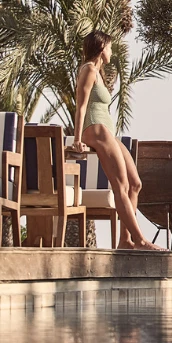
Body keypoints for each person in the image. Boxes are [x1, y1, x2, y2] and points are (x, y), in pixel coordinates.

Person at [66, 30, 164, 250]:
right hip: (96, 130)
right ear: (101, 48)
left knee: (135, 184)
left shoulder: (97, 72)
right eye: (109, 47)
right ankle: (140, 240)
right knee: (121, 185)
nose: (112, 51)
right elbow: (81, 106)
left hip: (107, 131)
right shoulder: (89, 70)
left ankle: (125, 240)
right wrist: (77, 138)